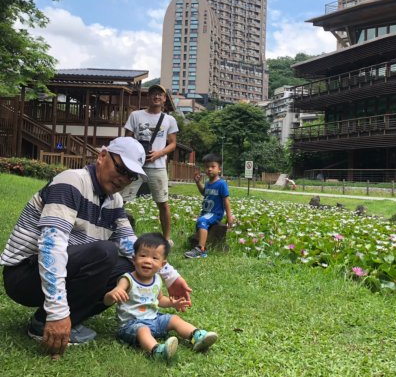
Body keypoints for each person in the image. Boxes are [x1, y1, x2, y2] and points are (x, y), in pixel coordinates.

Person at [0, 137, 192, 359]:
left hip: (62, 268)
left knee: (126, 267)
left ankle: (67, 320)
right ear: (102, 156)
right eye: (121, 168)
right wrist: (57, 311)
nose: (123, 179)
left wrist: (170, 277)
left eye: (131, 176)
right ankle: (46, 321)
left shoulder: (114, 200)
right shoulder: (71, 182)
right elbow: (51, 247)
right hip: (24, 274)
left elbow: (132, 244)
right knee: (106, 252)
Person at [104, 233, 217, 361]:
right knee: (143, 330)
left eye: (154, 258)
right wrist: (112, 295)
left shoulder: (157, 279)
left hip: (154, 319)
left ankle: (197, 336)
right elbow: (107, 301)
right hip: (131, 325)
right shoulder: (127, 279)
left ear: (162, 264)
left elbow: (160, 299)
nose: (148, 260)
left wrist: (173, 303)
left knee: (174, 319)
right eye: (143, 255)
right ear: (134, 259)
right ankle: (157, 351)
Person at [121, 84, 179, 246]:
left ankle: (166, 239)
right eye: (153, 93)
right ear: (149, 96)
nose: (156, 96)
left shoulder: (169, 120)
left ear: (164, 99)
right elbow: (127, 139)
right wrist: (136, 152)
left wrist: (158, 153)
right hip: (135, 166)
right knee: (121, 200)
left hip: (158, 166)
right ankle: (113, 231)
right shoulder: (136, 115)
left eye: (160, 94)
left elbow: (173, 143)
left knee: (162, 202)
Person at [184, 153, 234, 259]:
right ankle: (198, 243)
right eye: (207, 167)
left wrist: (229, 217)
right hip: (206, 212)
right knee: (200, 221)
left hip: (215, 213)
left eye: (213, 166)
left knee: (202, 221)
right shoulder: (207, 183)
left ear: (219, 169)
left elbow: (226, 200)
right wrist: (198, 183)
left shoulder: (221, 184)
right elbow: (204, 193)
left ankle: (201, 250)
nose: (209, 169)